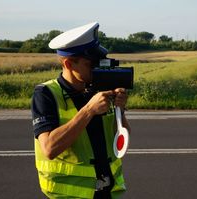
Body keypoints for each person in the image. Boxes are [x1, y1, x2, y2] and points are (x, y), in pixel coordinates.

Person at [31, 22, 130, 199]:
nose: (97, 67)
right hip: (70, 195)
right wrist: (88, 110)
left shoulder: (99, 90)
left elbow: (121, 144)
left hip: (109, 192)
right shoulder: (46, 94)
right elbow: (50, 148)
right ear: (69, 64)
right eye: (90, 64)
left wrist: (120, 112)